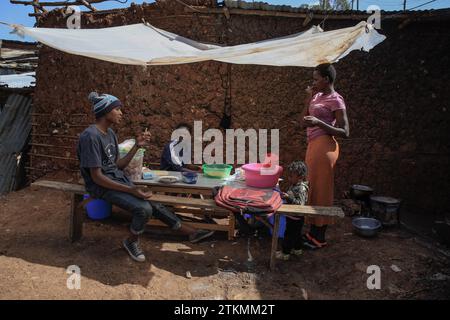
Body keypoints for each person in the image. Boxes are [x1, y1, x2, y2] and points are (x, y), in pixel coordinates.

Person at [77, 92, 213, 263]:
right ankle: (131, 241)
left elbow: (117, 165)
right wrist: (131, 190)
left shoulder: (110, 134)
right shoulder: (90, 136)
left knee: (153, 202)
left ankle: (191, 232)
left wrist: (136, 146)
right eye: (117, 109)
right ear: (105, 111)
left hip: (116, 179)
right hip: (100, 186)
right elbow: (96, 177)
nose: (121, 113)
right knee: (144, 209)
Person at [300, 63, 350, 249]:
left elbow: (345, 131)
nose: (313, 82)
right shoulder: (317, 96)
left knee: (322, 191)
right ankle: (313, 232)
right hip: (313, 146)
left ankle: (319, 237)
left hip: (325, 146)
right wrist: (308, 99)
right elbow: (301, 123)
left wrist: (320, 123)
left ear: (326, 79)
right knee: (312, 188)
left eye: (316, 79)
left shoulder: (336, 100)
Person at [276, 161, 309, 260]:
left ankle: (285, 253)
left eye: (291, 176)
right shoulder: (295, 185)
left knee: (289, 235)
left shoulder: (301, 188)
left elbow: (300, 204)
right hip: (293, 216)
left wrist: (288, 198)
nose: (289, 178)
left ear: (300, 177)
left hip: (296, 217)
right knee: (297, 234)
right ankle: (297, 249)